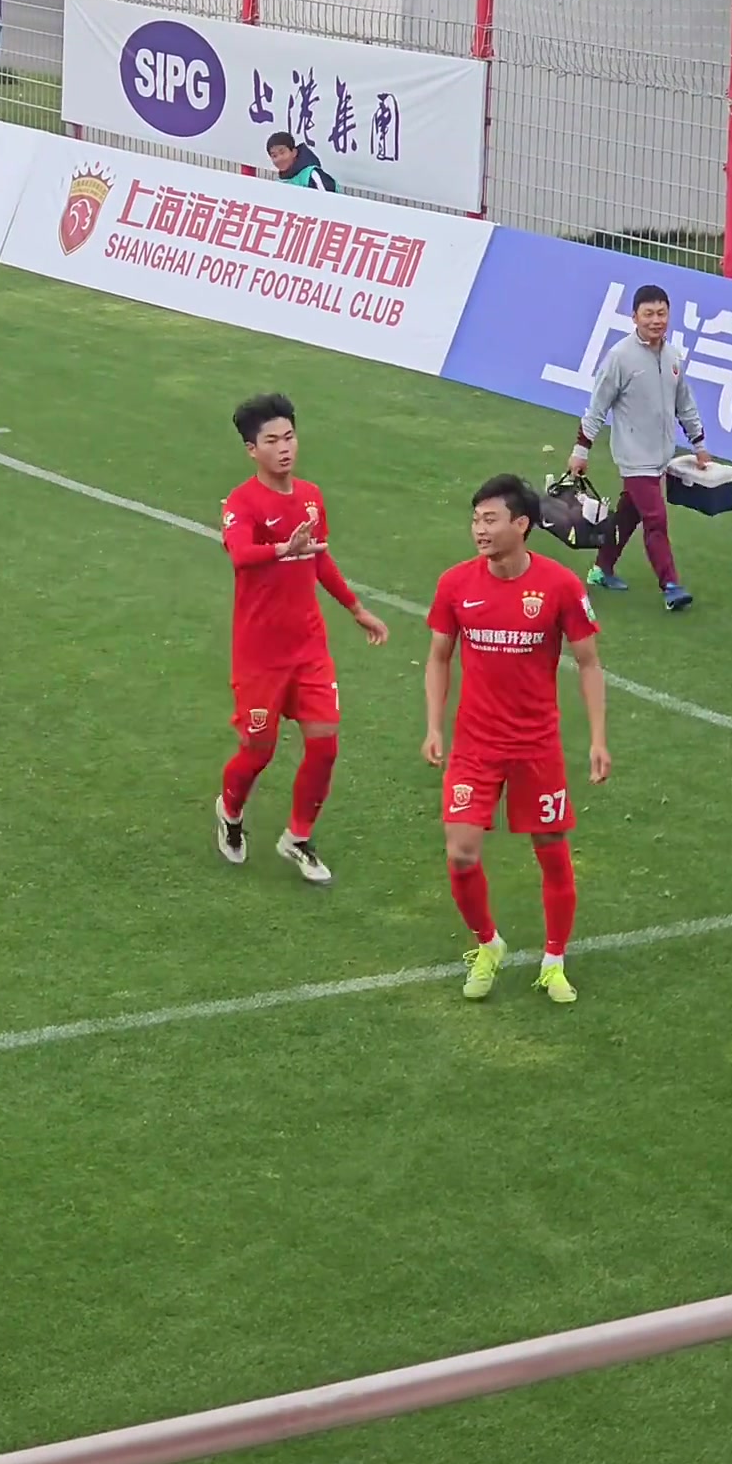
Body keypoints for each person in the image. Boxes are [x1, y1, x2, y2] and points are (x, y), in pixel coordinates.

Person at [423, 474, 609, 1006]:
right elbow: (438, 657)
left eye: (490, 519)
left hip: (536, 746)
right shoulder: (455, 584)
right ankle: (488, 944)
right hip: (475, 745)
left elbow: (589, 663)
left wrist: (598, 738)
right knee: (461, 853)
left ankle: (554, 961)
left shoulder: (560, 586)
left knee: (551, 851)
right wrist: (434, 725)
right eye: (475, 520)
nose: (479, 530)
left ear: (521, 524)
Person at [217, 393, 388, 883]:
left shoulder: (311, 496)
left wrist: (356, 609)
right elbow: (241, 556)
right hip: (260, 654)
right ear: (252, 450)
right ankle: (230, 813)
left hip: (309, 647)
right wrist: (281, 548)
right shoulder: (242, 503)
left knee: (325, 746)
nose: (284, 448)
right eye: (271, 441)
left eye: (289, 437)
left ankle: (297, 838)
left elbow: (320, 557)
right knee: (259, 750)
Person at [568, 284, 709, 611]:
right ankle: (670, 585)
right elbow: (597, 407)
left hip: (660, 456)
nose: (656, 320)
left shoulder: (673, 356)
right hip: (633, 457)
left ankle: (601, 569)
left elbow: (685, 404)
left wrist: (699, 444)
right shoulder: (620, 357)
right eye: (648, 314)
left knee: (628, 514)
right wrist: (581, 450)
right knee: (655, 519)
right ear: (634, 317)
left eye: (661, 313)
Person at [266, 131, 339, 193]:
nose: (279, 159)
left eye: (282, 152)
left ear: (294, 152)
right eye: (274, 156)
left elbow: (330, 200)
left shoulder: (312, 175)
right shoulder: (279, 182)